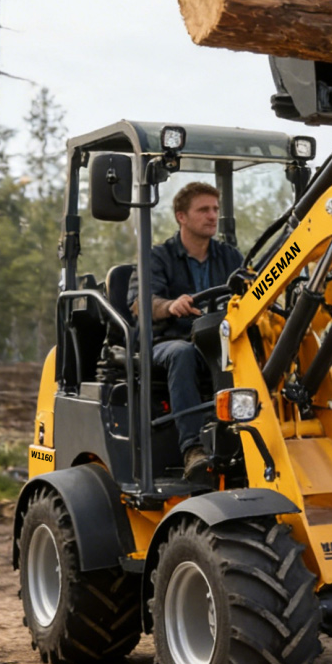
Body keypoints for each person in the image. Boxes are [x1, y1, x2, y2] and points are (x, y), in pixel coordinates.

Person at [128, 182, 242, 479]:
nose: (212, 216)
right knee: (183, 354)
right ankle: (193, 448)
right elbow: (140, 303)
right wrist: (170, 306)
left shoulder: (229, 258)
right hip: (166, 341)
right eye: (203, 210)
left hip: (217, 341)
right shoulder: (157, 257)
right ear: (182, 216)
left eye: (215, 209)